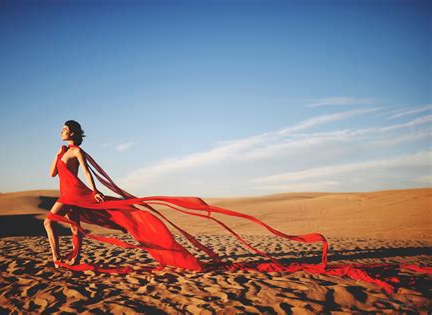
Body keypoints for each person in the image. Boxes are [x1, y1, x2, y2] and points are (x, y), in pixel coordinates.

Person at [43, 120, 430, 293]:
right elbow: (51, 173)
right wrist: (55, 155)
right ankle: (63, 256)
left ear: (74, 133)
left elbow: (89, 177)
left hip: (77, 193)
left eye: (66, 131)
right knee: (54, 223)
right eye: (62, 131)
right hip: (65, 190)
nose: (63, 134)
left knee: (60, 220)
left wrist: (94, 193)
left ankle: (62, 258)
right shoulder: (63, 151)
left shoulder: (78, 150)